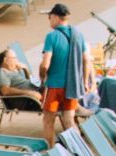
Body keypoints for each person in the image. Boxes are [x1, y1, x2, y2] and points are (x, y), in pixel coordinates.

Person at [38, 3, 88, 147]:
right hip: (72, 85)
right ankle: (79, 150)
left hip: (54, 86)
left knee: (48, 121)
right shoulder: (78, 34)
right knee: (69, 120)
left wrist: (42, 76)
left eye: (49, 17)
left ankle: (51, 151)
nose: (49, 20)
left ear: (55, 17)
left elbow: (45, 63)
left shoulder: (52, 36)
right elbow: (86, 60)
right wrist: (84, 81)